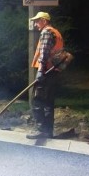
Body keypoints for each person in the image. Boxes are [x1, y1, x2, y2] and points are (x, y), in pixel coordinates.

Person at [27, 11, 65, 139]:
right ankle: (48, 131)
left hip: (46, 72)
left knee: (37, 100)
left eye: (37, 21)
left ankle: (41, 130)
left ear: (44, 20)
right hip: (53, 72)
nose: (36, 24)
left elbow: (44, 53)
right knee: (48, 102)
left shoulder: (46, 32)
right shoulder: (56, 33)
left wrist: (40, 70)